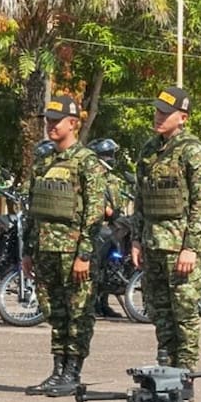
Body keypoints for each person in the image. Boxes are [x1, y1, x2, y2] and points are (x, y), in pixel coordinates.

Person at [21, 95, 108, 396]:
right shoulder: (43, 162)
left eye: (56, 121)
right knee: (54, 312)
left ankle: (73, 371)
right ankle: (58, 370)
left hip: (73, 253)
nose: (50, 126)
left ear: (73, 123)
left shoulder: (87, 162)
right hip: (45, 249)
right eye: (47, 120)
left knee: (77, 314)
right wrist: (28, 251)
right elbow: (33, 209)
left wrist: (84, 253)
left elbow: (94, 211)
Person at [131, 85, 201, 389]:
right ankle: (166, 372)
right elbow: (140, 197)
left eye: (166, 113)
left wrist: (190, 248)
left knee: (184, 314)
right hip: (153, 243)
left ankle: (185, 375)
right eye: (157, 111)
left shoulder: (194, 152)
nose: (159, 117)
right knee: (159, 311)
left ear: (183, 118)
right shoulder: (148, 150)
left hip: (180, 246)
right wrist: (136, 239)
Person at [88, 137, 128, 319]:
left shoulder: (111, 177)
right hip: (99, 226)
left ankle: (103, 303)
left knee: (109, 266)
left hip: (113, 227)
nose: (111, 157)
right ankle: (92, 303)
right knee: (95, 266)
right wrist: (109, 212)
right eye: (108, 154)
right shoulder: (93, 175)